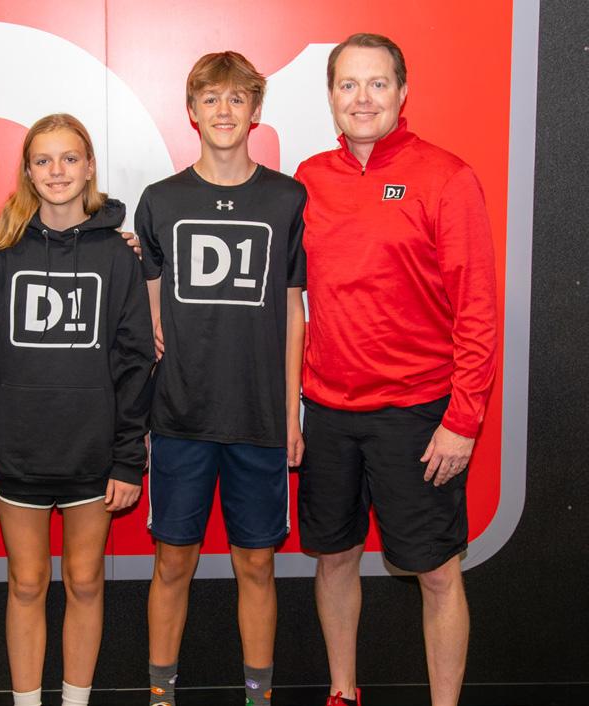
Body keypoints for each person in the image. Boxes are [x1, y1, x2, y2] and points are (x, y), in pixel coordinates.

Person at [293, 34, 498, 706]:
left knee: (436, 572)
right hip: (328, 412)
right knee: (335, 558)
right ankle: (342, 692)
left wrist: (463, 421)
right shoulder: (308, 179)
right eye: (348, 84)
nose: (362, 99)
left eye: (377, 83)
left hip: (416, 415)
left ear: (403, 93)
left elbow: (477, 309)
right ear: (331, 95)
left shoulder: (446, 176)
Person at [136, 52, 307, 706]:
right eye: (211, 99)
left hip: (258, 418)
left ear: (256, 110)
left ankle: (258, 697)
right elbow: (149, 316)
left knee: (256, 564)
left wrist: (290, 414)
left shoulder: (286, 198)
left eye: (237, 98)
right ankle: (160, 696)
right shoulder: (161, 201)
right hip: (180, 418)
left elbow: (293, 311)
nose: (224, 111)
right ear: (192, 111)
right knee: (172, 561)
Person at [0, 113, 154, 706]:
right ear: (27, 170)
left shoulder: (117, 254)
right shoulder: (0, 251)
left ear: (89, 166)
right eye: (43, 160)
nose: (57, 171)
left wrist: (127, 459)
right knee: (26, 584)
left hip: (92, 455)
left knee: (85, 580)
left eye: (70, 158)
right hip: (18, 450)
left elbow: (134, 362)